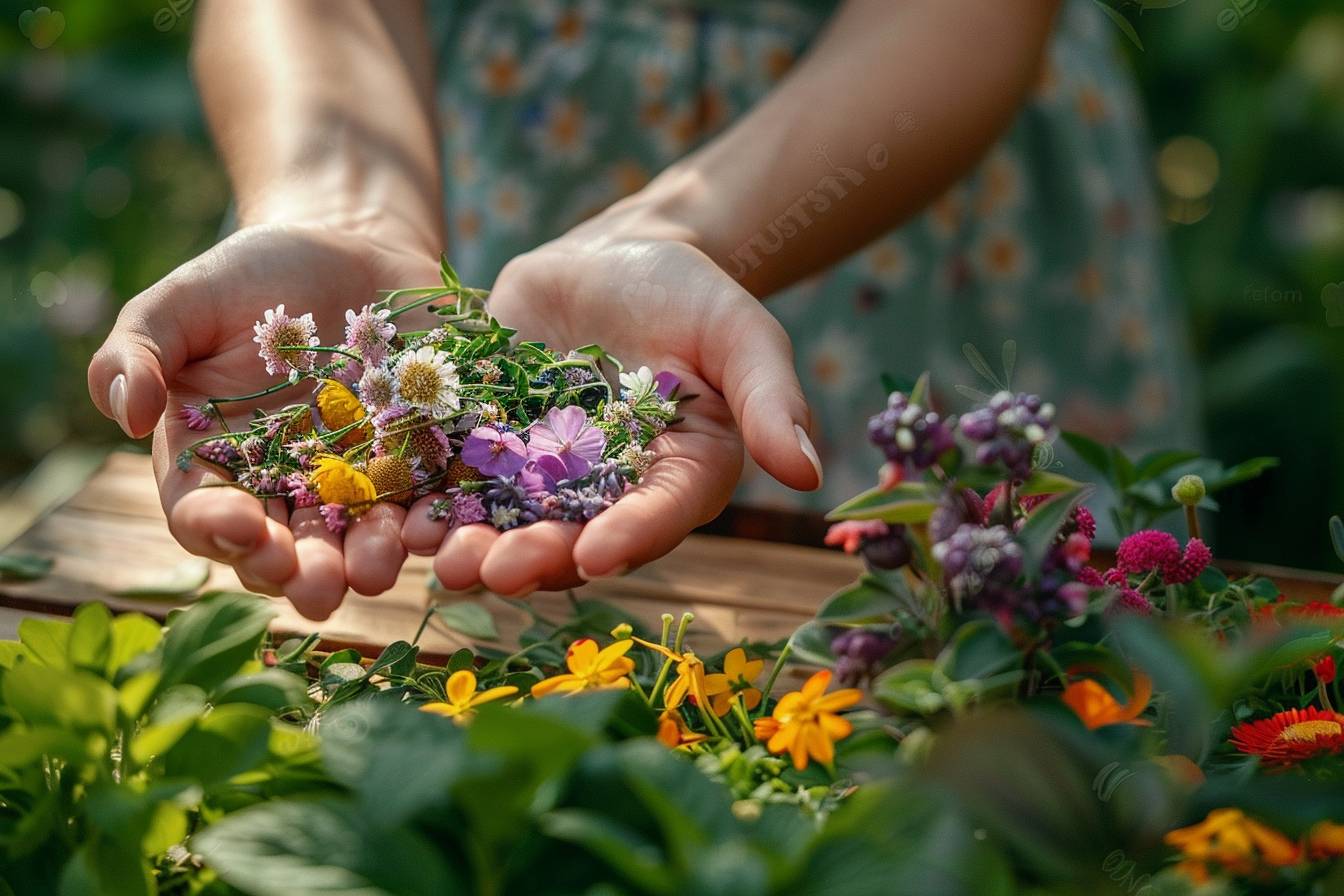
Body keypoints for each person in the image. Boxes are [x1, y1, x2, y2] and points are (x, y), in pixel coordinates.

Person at [87, 0, 1194, 620]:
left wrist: (680, 237)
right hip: (463, 143)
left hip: (895, 172)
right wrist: (345, 204)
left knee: (956, 686)